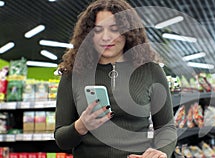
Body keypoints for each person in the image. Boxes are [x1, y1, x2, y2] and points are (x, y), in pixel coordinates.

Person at [54, 0, 177, 157]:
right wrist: (81, 126)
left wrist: (161, 152)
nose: (106, 37)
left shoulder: (150, 71)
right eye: (98, 30)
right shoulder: (72, 74)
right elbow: (61, 140)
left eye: (114, 29)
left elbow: (166, 127)